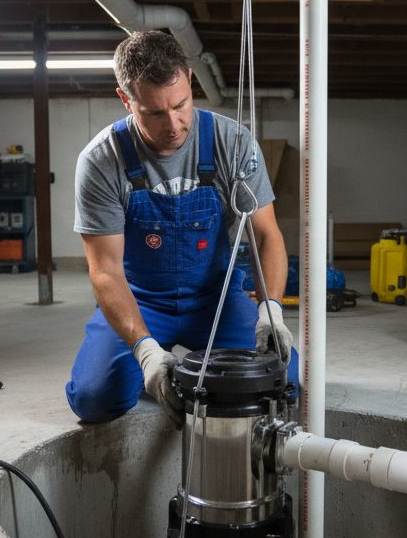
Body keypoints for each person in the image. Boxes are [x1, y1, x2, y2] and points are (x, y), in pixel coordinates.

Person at [65, 31, 297, 426]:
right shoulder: (101, 161)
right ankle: (153, 365)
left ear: (189, 80)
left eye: (180, 105)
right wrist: (145, 352)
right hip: (141, 300)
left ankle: (181, 368)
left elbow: (266, 235)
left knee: (284, 381)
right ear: (125, 100)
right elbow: (105, 270)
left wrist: (270, 309)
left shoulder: (232, 142)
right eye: (154, 113)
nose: (173, 124)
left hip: (215, 298)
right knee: (94, 398)